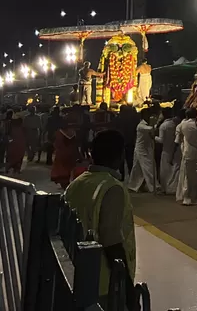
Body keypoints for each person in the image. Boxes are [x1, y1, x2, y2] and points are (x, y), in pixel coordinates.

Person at [64, 129, 137, 309]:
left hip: (77, 274)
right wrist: (127, 286)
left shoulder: (76, 184)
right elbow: (111, 240)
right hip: (104, 281)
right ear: (119, 156)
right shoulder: (113, 188)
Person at [127, 108, 157, 193]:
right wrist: (156, 122)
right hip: (141, 150)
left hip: (144, 148)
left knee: (137, 169)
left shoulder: (146, 124)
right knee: (148, 167)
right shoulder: (141, 126)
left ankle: (133, 186)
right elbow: (152, 129)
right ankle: (154, 187)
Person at [177, 108, 197, 206]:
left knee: (187, 176)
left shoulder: (183, 125)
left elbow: (179, 138)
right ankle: (194, 198)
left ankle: (186, 197)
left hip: (187, 151)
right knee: (196, 176)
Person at [51, 115, 81, 189]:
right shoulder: (73, 132)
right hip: (71, 153)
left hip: (61, 153)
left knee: (61, 169)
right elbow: (76, 144)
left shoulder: (59, 132)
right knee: (70, 169)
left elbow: (57, 143)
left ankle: (64, 183)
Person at [156, 107, 178, 194]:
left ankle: (165, 188)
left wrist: (154, 137)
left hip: (165, 150)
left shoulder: (163, 126)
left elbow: (161, 140)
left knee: (164, 171)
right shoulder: (174, 124)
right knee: (172, 171)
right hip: (173, 149)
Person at [171, 108, 186, 200]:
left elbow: (176, 142)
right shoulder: (196, 124)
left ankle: (182, 193)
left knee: (182, 172)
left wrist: (173, 153)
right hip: (189, 151)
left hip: (182, 151)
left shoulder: (180, 126)